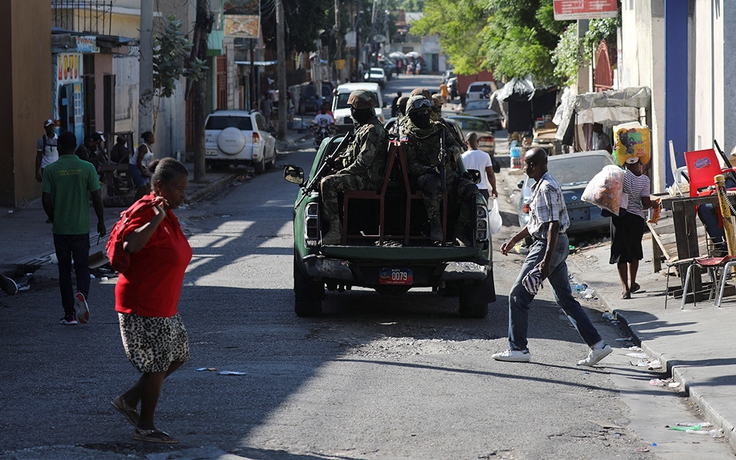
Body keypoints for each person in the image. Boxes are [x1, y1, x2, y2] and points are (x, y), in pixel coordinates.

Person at [494, 147, 612, 366]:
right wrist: (513, 240)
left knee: (518, 295)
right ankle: (598, 346)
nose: (524, 168)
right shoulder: (540, 185)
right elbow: (535, 223)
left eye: (527, 164)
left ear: (535, 166)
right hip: (554, 244)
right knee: (564, 298)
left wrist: (545, 262)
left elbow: (552, 226)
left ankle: (518, 348)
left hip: (549, 245)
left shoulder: (547, 187)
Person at [110, 157, 191, 444]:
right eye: (179, 188)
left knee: (178, 356)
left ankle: (128, 400)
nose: (184, 194)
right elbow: (130, 245)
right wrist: (156, 217)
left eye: (185, 188)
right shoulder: (149, 211)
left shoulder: (168, 212)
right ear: (159, 186)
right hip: (143, 304)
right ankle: (145, 427)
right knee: (156, 365)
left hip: (164, 304)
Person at [41, 131, 106, 325]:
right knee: (82, 267)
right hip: (80, 228)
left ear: (59, 147)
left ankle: (69, 315)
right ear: (75, 145)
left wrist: (53, 217)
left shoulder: (51, 170)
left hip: (61, 229)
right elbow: (96, 197)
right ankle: (82, 294)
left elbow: (45, 200)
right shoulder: (87, 168)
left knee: (64, 271)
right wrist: (101, 221)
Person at [402, 95, 478, 244]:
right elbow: (412, 166)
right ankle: (436, 228)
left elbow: (459, 147)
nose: (423, 116)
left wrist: (449, 153)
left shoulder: (439, 129)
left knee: (471, 190)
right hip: (425, 177)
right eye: (419, 114)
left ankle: (460, 231)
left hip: (447, 174)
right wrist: (431, 169)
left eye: (426, 112)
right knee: (432, 184)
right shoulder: (409, 136)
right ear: (411, 116)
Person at [320, 90, 388, 245]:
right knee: (326, 178)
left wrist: (341, 172)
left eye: (354, 109)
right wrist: (339, 161)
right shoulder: (364, 128)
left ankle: (336, 231)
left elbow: (362, 163)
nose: (352, 113)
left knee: (328, 183)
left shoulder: (373, 130)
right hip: (363, 176)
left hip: (369, 179)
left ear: (360, 110)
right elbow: (352, 156)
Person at [611, 158, 659, 299]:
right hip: (635, 219)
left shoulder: (619, 176)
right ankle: (633, 283)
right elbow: (645, 203)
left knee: (620, 253)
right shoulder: (644, 180)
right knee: (634, 251)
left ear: (625, 163)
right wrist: (654, 204)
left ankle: (625, 289)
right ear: (640, 163)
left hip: (619, 216)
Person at [461, 132, 498, 201]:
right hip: (482, 190)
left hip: (467, 189)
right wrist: (494, 189)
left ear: (466, 143)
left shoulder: (462, 157)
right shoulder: (485, 156)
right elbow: (490, 174)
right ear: (477, 141)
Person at [129, 131, 155, 200]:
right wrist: (142, 172)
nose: (153, 138)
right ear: (148, 138)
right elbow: (138, 161)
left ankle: (142, 201)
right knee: (142, 186)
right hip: (134, 166)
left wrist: (146, 171)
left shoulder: (149, 147)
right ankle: (135, 202)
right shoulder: (143, 147)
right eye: (152, 137)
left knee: (147, 186)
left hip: (142, 167)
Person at [36, 119, 58, 183]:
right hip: (45, 167)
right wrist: (37, 171)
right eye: (49, 126)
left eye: (52, 126)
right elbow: (39, 156)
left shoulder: (58, 139)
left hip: (56, 167)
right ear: (45, 128)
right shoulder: (41, 140)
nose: (51, 128)